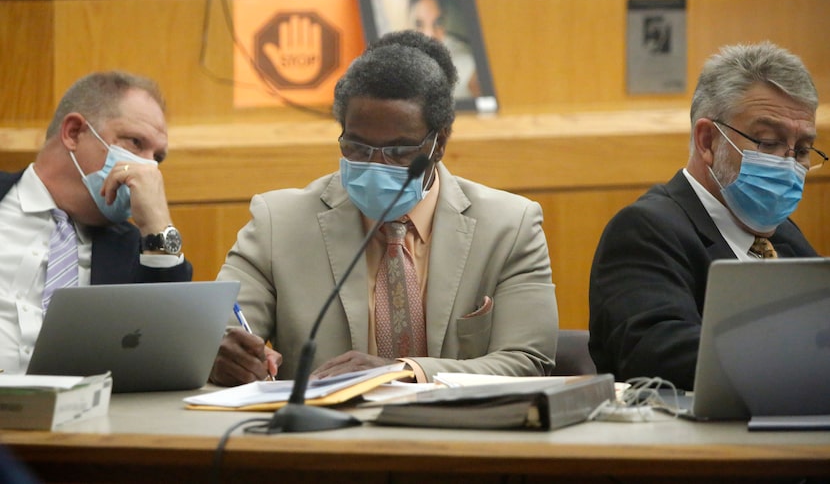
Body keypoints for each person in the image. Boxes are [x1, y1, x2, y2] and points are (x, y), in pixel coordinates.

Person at [210, 30, 558, 386]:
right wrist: (224, 352)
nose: (376, 165)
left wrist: (403, 372)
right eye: (358, 148)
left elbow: (527, 360)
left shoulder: (510, 226)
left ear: (438, 144)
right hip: (322, 434)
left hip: (458, 434)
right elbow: (219, 330)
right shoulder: (277, 223)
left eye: (398, 151)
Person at [588, 42, 825, 390]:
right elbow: (658, 354)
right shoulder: (646, 230)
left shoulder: (784, 237)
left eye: (802, 150)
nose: (788, 165)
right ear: (707, 140)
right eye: (767, 142)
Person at [0, 71, 193, 374]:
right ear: (74, 133)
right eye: (135, 143)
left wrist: (159, 230)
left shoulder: (138, 250)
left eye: (158, 157)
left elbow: (168, 358)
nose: (149, 169)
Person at [378, 0, 480, 99]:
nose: (431, 35)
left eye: (438, 22)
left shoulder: (462, 62)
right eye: (418, 24)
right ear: (399, 24)